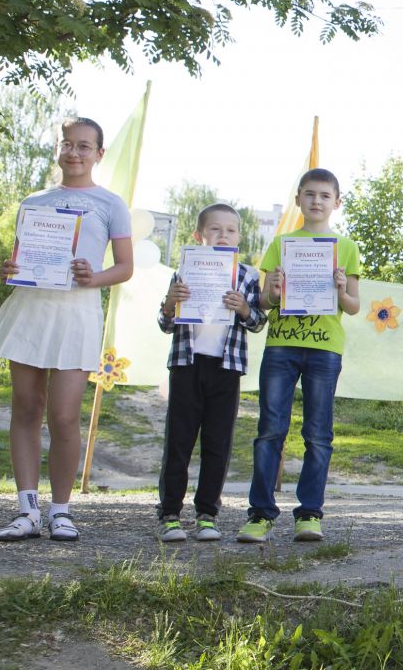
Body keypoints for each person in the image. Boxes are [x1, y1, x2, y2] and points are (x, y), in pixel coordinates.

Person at [0, 117, 134, 542]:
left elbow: (124, 268)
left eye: (84, 146)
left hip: (77, 316)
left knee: (65, 415)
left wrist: (95, 277)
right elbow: (23, 260)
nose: (74, 152)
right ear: (59, 148)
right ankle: (27, 510)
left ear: (98, 154)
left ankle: (61, 511)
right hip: (31, 313)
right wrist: (11, 270)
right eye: (67, 144)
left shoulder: (110, 204)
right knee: (26, 408)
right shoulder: (34, 200)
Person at [240, 168, 362, 545]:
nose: (316, 202)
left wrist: (341, 289)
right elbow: (264, 301)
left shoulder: (347, 247)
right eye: (309, 194)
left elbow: (354, 306)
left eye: (325, 196)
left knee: (318, 434)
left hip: (325, 348)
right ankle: (260, 514)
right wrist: (274, 291)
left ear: (336, 202)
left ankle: (309, 513)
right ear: (298, 200)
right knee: (270, 430)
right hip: (282, 345)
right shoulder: (281, 243)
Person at [155, 204, 267, 542]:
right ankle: (170, 514)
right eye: (215, 230)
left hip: (226, 368)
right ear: (199, 235)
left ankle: (207, 514)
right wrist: (169, 303)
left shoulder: (247, 276)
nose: (223, 236)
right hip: (187, 364)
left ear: (239, 237)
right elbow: (164, 323)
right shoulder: (184, 271)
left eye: (230, 231)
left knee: (218, 442)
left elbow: (259, 321)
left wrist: (244, 308)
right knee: (179, 440)